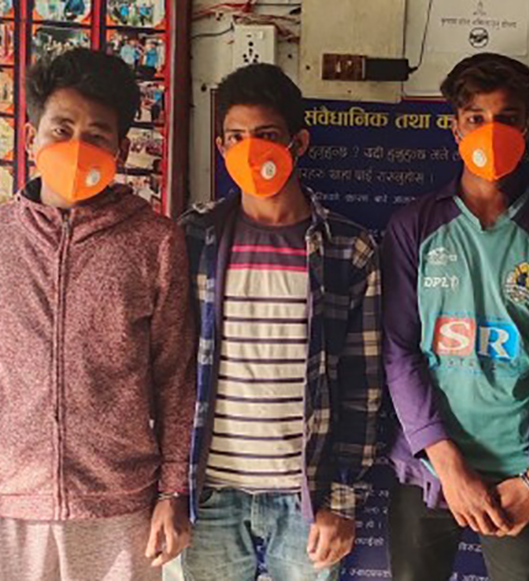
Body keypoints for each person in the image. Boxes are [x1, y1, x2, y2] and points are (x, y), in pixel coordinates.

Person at [0, 48, 194, 581]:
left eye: (97, 135)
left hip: (119, 505)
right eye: (62, 129)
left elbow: (175, 378)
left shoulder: (155, 241)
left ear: (121, 149)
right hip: (10, 500)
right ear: (32, 137)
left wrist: (173, 490)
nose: (77, 147)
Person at [382, 53, 529, 581]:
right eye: (476, 118)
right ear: (455, 127)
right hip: (430, 470)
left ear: (528, 127)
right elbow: (399, 351)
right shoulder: (413, 227)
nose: (491, 133)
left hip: (522, 477)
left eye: (507, 118)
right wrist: (447, 464)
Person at [180, 63, 382, 581]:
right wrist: (170, 492)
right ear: (221, 146)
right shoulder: (194, 238)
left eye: (267, 135)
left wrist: (343, 499)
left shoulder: (348, 248)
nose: (250, 150)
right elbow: (170, 370)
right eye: (236, 137)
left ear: (299, 143)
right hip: (211, 492)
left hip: (305, 495)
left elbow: (362, 384)